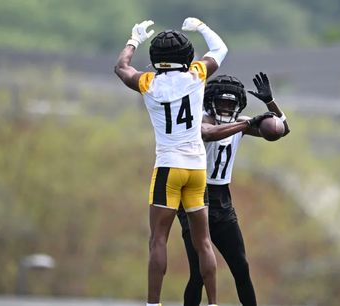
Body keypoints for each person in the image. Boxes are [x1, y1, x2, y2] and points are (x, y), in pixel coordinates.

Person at [114, 17, 228, 306]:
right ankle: (213, 303)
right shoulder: (196, 74)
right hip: (197, 168)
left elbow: (121, 68)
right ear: (186, 56)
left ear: (156, 59)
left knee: (159, 240)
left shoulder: (148, 82)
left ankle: (154, 303)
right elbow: (220, 49)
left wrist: (133, 40)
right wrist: (202, 28)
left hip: (168, 167)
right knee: (203, 242)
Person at [177, 73, 290, 306]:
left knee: (241, 266)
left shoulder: (241, 123)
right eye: (222, 103)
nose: (227, 108)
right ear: (210, 102)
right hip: (194, 196)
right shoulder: (200, 120)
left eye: (231, 104)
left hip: (223, 200)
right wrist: (247, 123)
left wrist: (270, 103)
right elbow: (208, 133)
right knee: (198, 273)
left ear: (238, 105)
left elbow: (282, 129)